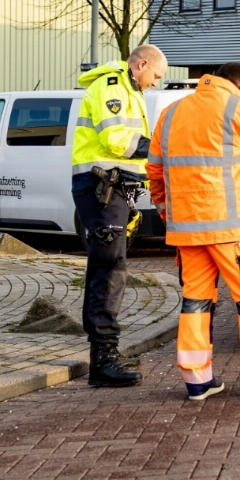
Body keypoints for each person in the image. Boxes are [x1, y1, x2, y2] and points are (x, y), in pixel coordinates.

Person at [147, 62, 240, 401]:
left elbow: (155, 170)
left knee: (196, 302)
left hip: (188, 231)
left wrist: (166, 210)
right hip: (234, 231)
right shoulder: (238, 107)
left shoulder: (172, 113)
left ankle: (198, 382)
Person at [71, 43, 168, 388]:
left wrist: (136, 200)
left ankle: (106, 352)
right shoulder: (111, 87)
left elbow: (131, 163)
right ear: (141, 64)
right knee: (109, 267)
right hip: (101, 187)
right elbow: (115, 140)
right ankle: (103, 359)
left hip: (116, 188)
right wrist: (160, 144)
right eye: (156, 75)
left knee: (113, 265)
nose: (155, 83)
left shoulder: (130, 89)